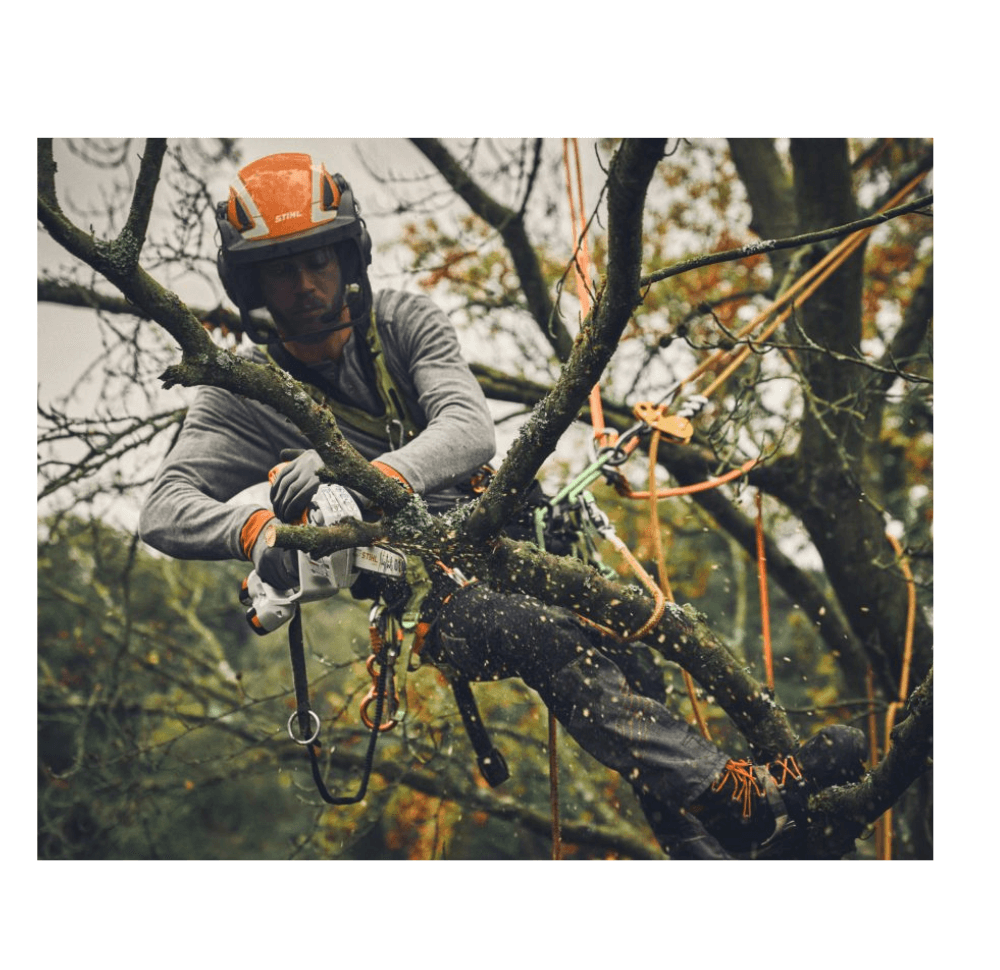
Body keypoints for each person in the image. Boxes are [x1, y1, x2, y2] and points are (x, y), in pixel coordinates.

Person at [139, 152, 866, 859]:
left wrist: (351, 474)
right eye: (281, 268)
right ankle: (734, 798)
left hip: (510, 530)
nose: (303, 283)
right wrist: (256, 528)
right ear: (251, 281)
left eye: (316, 261)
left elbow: (468, 430)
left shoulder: (402, 322)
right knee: (536, 636)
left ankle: (739, 832)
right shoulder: (241, 394)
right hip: (434, 593)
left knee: (633, 667)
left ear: (346, 256)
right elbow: (164, 510)